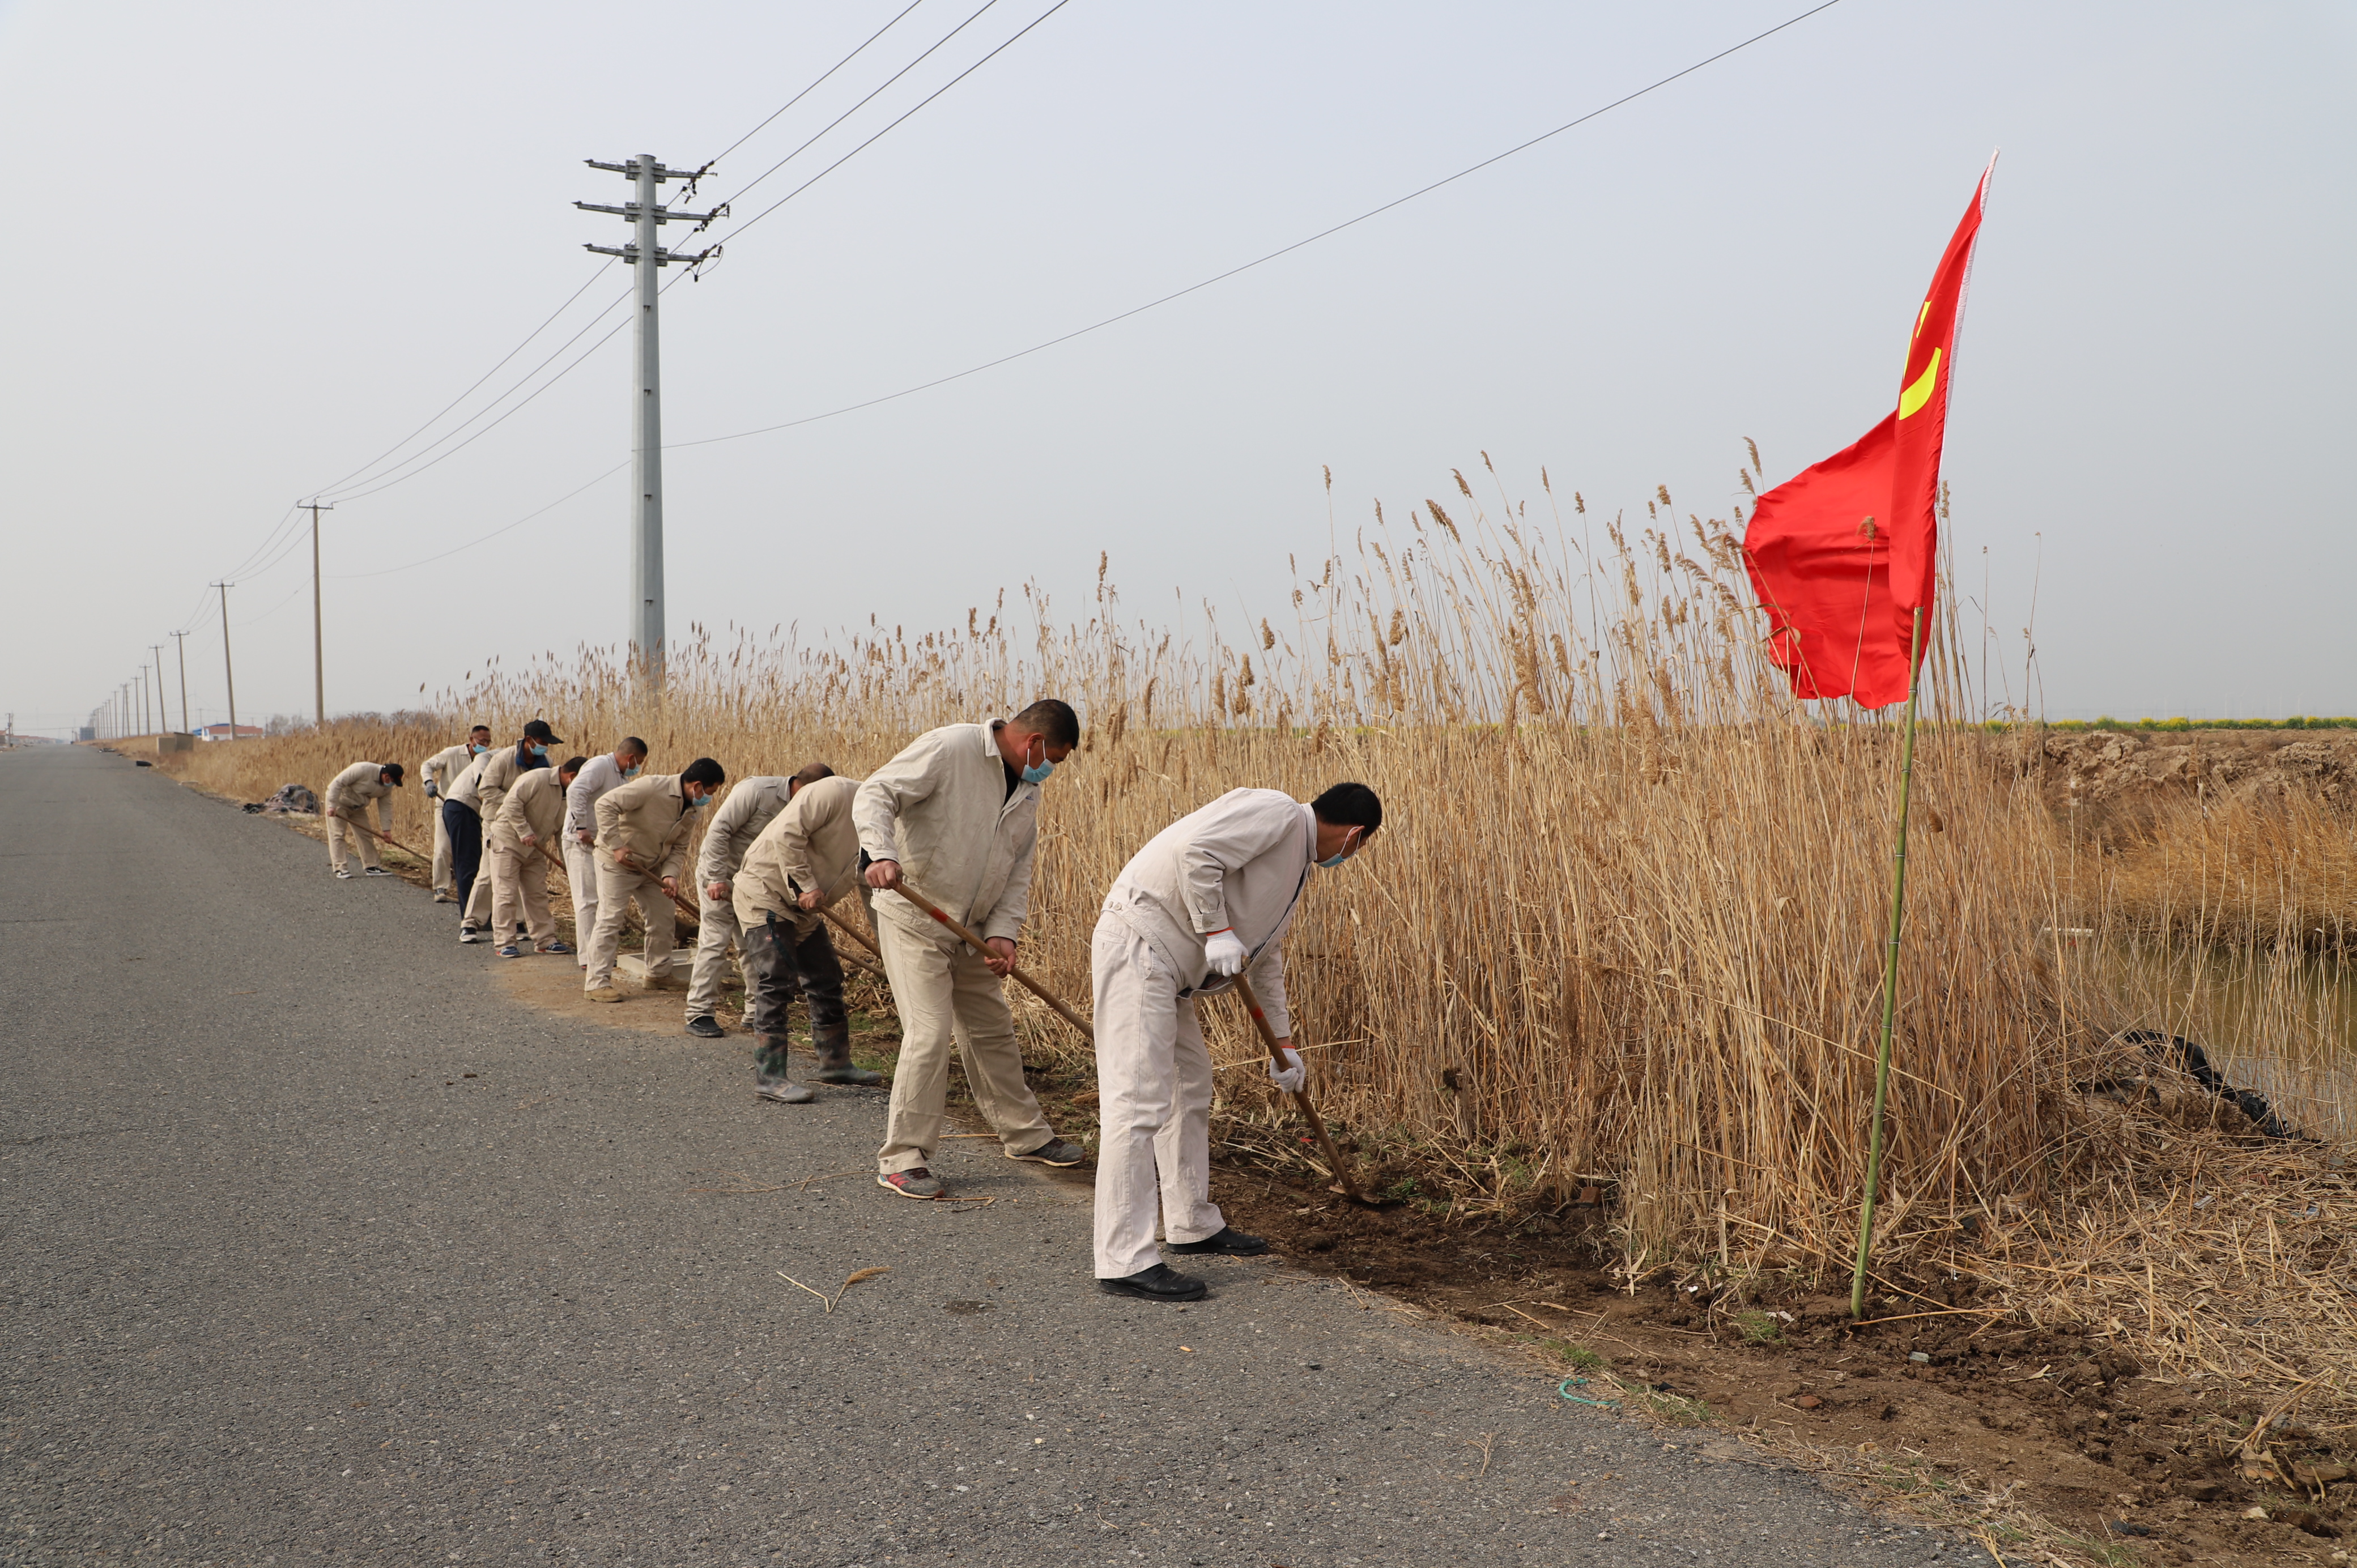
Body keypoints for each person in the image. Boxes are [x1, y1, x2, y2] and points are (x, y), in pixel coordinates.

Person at [1088, 782, 1382, 1302]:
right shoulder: (1279, 814)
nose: (1351, 857)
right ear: (1355, 835)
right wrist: (1216, 929)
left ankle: (1191, 1223)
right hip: (1141, 946)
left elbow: (1265, 960)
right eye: (1359, 849)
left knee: (1190, 1088)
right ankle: (1123, 1259)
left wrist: (1285, 1044)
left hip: (1173, 971)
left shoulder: (1296, 870)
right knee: (1137, 1105)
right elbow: (1194, 852)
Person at [854, 701, 1088, 1200]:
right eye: (1055, 759)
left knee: (993, 1029)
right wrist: (882, 852)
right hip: (916, 915)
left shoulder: (1028, 787)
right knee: (930, 1032)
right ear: (1034, 744)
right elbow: (877, 792)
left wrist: (1005, 932)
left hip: (973, 930)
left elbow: (1017, 866)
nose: (1052, 771)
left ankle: (1024, 1136)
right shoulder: (952, 747)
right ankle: (902, 1158)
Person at [730, 767, 880, 1102]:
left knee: (827, 977)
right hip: (766, 894)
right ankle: (770, 1077)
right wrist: (807, 885)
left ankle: (835, 1063)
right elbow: (787, 835)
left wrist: (886, 943)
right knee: (777, 981)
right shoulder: (833, 792)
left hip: (807, 908)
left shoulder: (878, 825)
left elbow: (870, 884)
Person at [684, 766, 819, 1039]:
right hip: (722, 878)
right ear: (804, 787)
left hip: (757, 886)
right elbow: (719, 831)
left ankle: (755, 1012)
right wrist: (716, 878)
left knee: (754, 946)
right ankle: (699, 1012)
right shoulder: (756, 791)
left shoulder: (808, 809)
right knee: (715, 941)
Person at [586, 756, 726, 1003]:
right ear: (697, 786)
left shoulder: (694, 809)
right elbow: (605, 805)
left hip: (652, 867)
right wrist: (617, 846)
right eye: (710, 792)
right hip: (617, 863)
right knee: (610, 919)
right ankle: (597, 983)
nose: (709, 798)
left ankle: (658, 974)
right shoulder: (651, 787)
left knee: (663, 918)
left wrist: (670, 875)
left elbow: (680, 847)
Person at [458, 719, 561, 939]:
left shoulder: (547, 763)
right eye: (542, 742)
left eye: (547, 744)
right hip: (498, 823)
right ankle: (471, 922)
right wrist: (514, 802)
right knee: (489, 873)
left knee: (526, 878)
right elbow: (486, 788)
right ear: (528, 740)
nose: (545, 747)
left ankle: (519, 923)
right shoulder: (504, 759)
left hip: (528, 827)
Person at [487, 755, 584, 958]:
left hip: (535, 848)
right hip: (508, 841)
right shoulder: (537, 778)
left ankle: (545, 940)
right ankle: (505, 942)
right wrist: (524, 831)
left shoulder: (571, 796)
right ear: (572, 776)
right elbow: (511, 804)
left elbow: (563, 833)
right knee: (506, 894)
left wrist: (569, 864)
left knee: (538, 894)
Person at [564, 737, 648, 969]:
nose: (638, 767)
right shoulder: (600, 765)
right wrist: (581, 826)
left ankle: (599, 955)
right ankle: (589, 959)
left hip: (600, 844)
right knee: (587, 901)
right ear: (631, 758)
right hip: (580, 841)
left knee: (600, 901)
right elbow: (575, 791)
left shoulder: (622, 777)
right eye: (638, 762)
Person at [420, 726, 491, 903]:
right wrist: (429, 782)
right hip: (446, 805)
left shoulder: (486, 760)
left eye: (488, 742)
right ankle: (441, 887)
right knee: (443, 847)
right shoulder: (452, 753)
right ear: (471, 739)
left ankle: (473, 889)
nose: (485, 745)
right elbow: (427, 765)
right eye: (482, 741)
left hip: (474, 810)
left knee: (474, 851)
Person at [442, 747, 493, 940]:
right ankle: (470, 918)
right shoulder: (498, 758)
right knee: (468, 863)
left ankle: (484, 915)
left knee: (479, 862)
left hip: (476, 810)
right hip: (461, 806)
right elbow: (482, 763)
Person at [324, 761, 406, 880]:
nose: (392, 784)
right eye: (392, 781)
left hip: (358, 807)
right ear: (387, 776)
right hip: (340, 804)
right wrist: (332, 806)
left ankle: (372, 866)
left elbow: (385, 806)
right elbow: (336, 784)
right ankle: (341, 868)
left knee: (366, 834)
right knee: (338, 834)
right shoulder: (362, 769)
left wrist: (386, 830)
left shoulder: (387, 788)